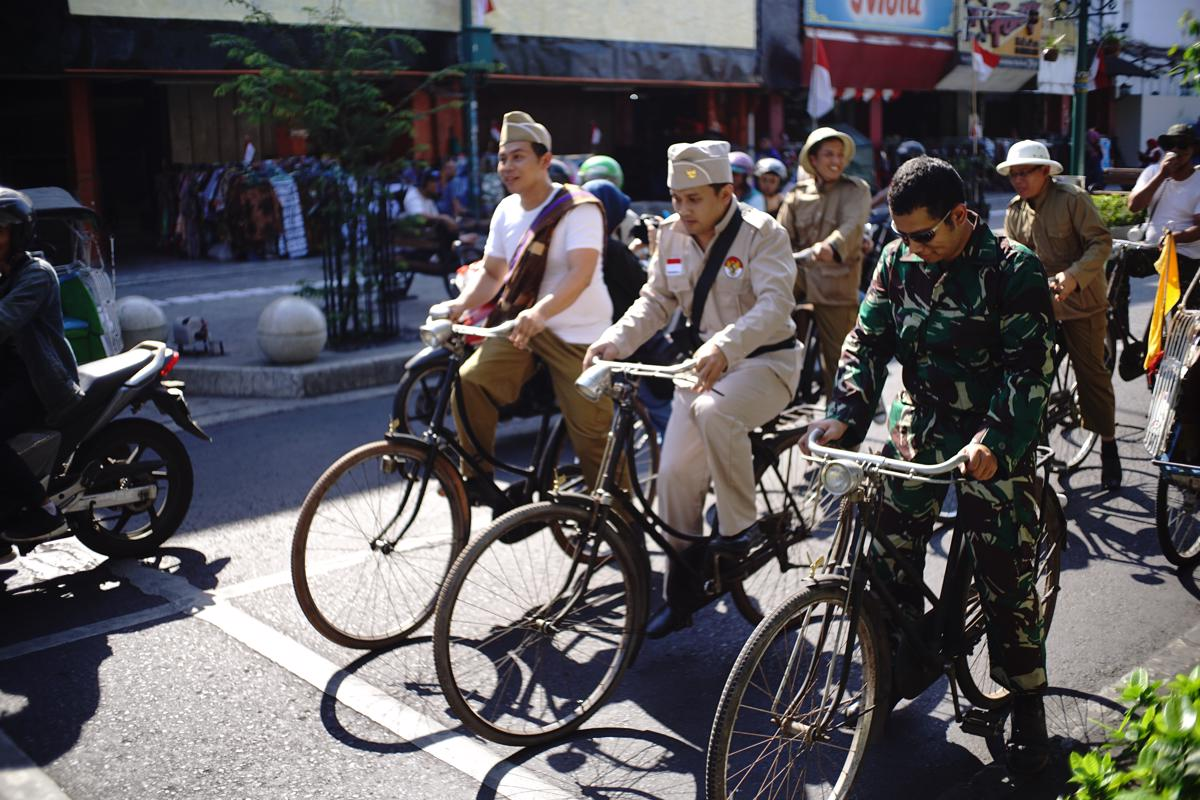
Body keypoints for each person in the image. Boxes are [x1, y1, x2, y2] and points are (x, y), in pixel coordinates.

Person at [802, 156, 1056, 774]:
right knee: (883, 549)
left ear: (961, 216)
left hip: (995, 436)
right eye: (903, 234)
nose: (912, 246)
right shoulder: (898, 259)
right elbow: (868, 339)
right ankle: (894, 666)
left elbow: (1029, 371)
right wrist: (846, 411)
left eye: (925, 235)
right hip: (921, 425)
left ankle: (1025, 696)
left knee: (1004, 565)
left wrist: (994, 441)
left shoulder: (1011, 269)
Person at [585, 140, 800, 638]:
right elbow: (655, 301)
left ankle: (737, 528)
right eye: (676, 198)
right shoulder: (672, 236)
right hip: (703, 363)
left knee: (714, 411)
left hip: (766, 362)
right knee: (675, 478)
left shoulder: (763, 233)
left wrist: (724, 345)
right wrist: (613, 341)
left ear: (726, 192)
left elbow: (773, 306)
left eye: (694, 199)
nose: (682, 209)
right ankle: (680, 594)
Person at [435, 111, 613, 509]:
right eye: (502, 159)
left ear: (544, 161)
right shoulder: (506, 211)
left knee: (593, 437)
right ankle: (478, 478)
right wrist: (459, 305)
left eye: (517, 157)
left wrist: (541, 313)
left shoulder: (578, 207)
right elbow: (494, 272)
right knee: (470, 381)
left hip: (576, 334)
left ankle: (620, 520)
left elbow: (580, 274)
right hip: (524, 327)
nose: (507, 167)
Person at [999, 140, 1120, 489]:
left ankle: (1108, 445)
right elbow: (1010, 257)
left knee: (1091, 376)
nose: (1019, 180)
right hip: (1039, 308)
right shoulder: (1015, 210)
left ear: (1045, 172)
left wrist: (1074, 276)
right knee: (1027, 377)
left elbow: (1101, 242)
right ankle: (1037, 448)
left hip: (1082, 304)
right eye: (1014, 175)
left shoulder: (1072, 200)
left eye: (1026, 173)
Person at [0, 187, 85, 547]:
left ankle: (41, 507)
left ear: (17, 234)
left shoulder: (37, 275)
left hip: (41, 383)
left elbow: (3, 321)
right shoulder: (3, 273)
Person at [777, 126, 871, 400]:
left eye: (840, 155)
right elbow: (780, 236)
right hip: (798, 281)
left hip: (836, 287)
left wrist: (830, 247)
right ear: (813, 159)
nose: (836, 161)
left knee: (840, 364)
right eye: (828, 154)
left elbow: (851, 227)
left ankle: (843, 426)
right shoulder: (795, 195)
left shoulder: (856, 190)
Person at [1128, 123, 1200, 304]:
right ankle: (1117, 325)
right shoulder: (1153, 172)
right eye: (1170, 145)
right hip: (1152, 249)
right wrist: (1161, 175)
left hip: (1184, 253)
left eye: (1182, 145)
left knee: (1180, 305)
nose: (1175, 150)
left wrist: (1173, 239)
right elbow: (1134, 206)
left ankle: (1177, 329)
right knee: (1117, 263)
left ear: (1193, 149)